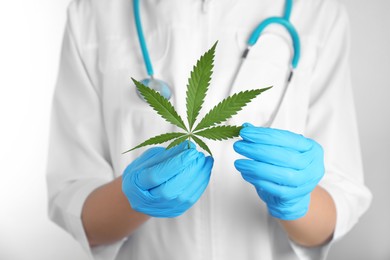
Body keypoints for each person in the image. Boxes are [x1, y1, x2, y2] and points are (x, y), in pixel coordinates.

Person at [46, 0, 372, 259]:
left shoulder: (318, 14)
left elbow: (337, 207)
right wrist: (132, 198)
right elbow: (74, 203)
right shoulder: (92, 13)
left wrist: (298, 201)